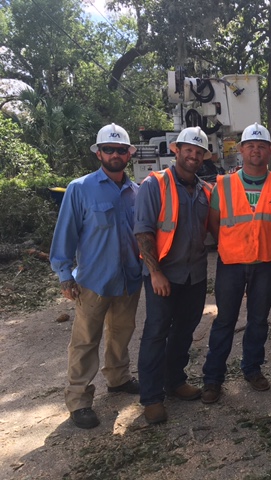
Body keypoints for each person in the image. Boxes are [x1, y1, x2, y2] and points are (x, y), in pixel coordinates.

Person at [50, 123, 142, 429]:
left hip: (129, 278)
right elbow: (66, 235)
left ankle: (118, 378)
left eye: (121, 150)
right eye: (109, 149)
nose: (115, 155)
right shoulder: (80, 189)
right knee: (85, 341)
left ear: (129, 154)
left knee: (121, 332)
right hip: (93, 281)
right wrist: (65, 274)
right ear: (98, 153)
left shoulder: (136, 192)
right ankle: (78, 400)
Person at [201, 123, 271, 404]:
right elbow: (214, 223)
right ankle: (212, 378)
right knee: (225, 321)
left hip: (266, 263)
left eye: (261, 146)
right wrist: (232, 243)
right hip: (230, 263)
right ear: (242, 150)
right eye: (251, 145)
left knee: (258, 321)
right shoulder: (224, 184)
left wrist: (270, 241)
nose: (256, 150)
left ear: (269, 151)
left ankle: (252, 369)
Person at [134, 126, 213, 424]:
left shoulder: (206, 191)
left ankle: (175, 381)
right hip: (163, 275)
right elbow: (143, 231)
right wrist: (154, 273)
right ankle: (152, 398)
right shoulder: (154, 185)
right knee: (156, 333)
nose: (193, 156)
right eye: (188, 150)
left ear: (204, 157)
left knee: (184, 330)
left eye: (198, 152)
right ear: (176, 150)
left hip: (194, 276)